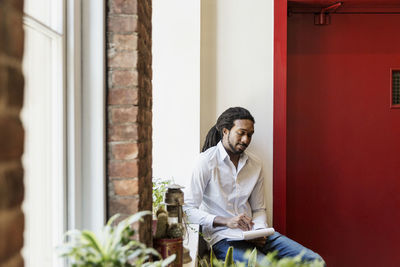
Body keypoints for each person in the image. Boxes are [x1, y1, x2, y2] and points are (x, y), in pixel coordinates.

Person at [183, 107, 324, 264]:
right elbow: (187, 210)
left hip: (255, 234)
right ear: (225, 131)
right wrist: (226, 221)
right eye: (241, 133)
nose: (246, 140)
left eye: (249, 135)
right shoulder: (205, 162)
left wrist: (258, 231)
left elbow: (258, 209)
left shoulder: (255, 164)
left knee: (314, 260)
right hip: (224, 238)